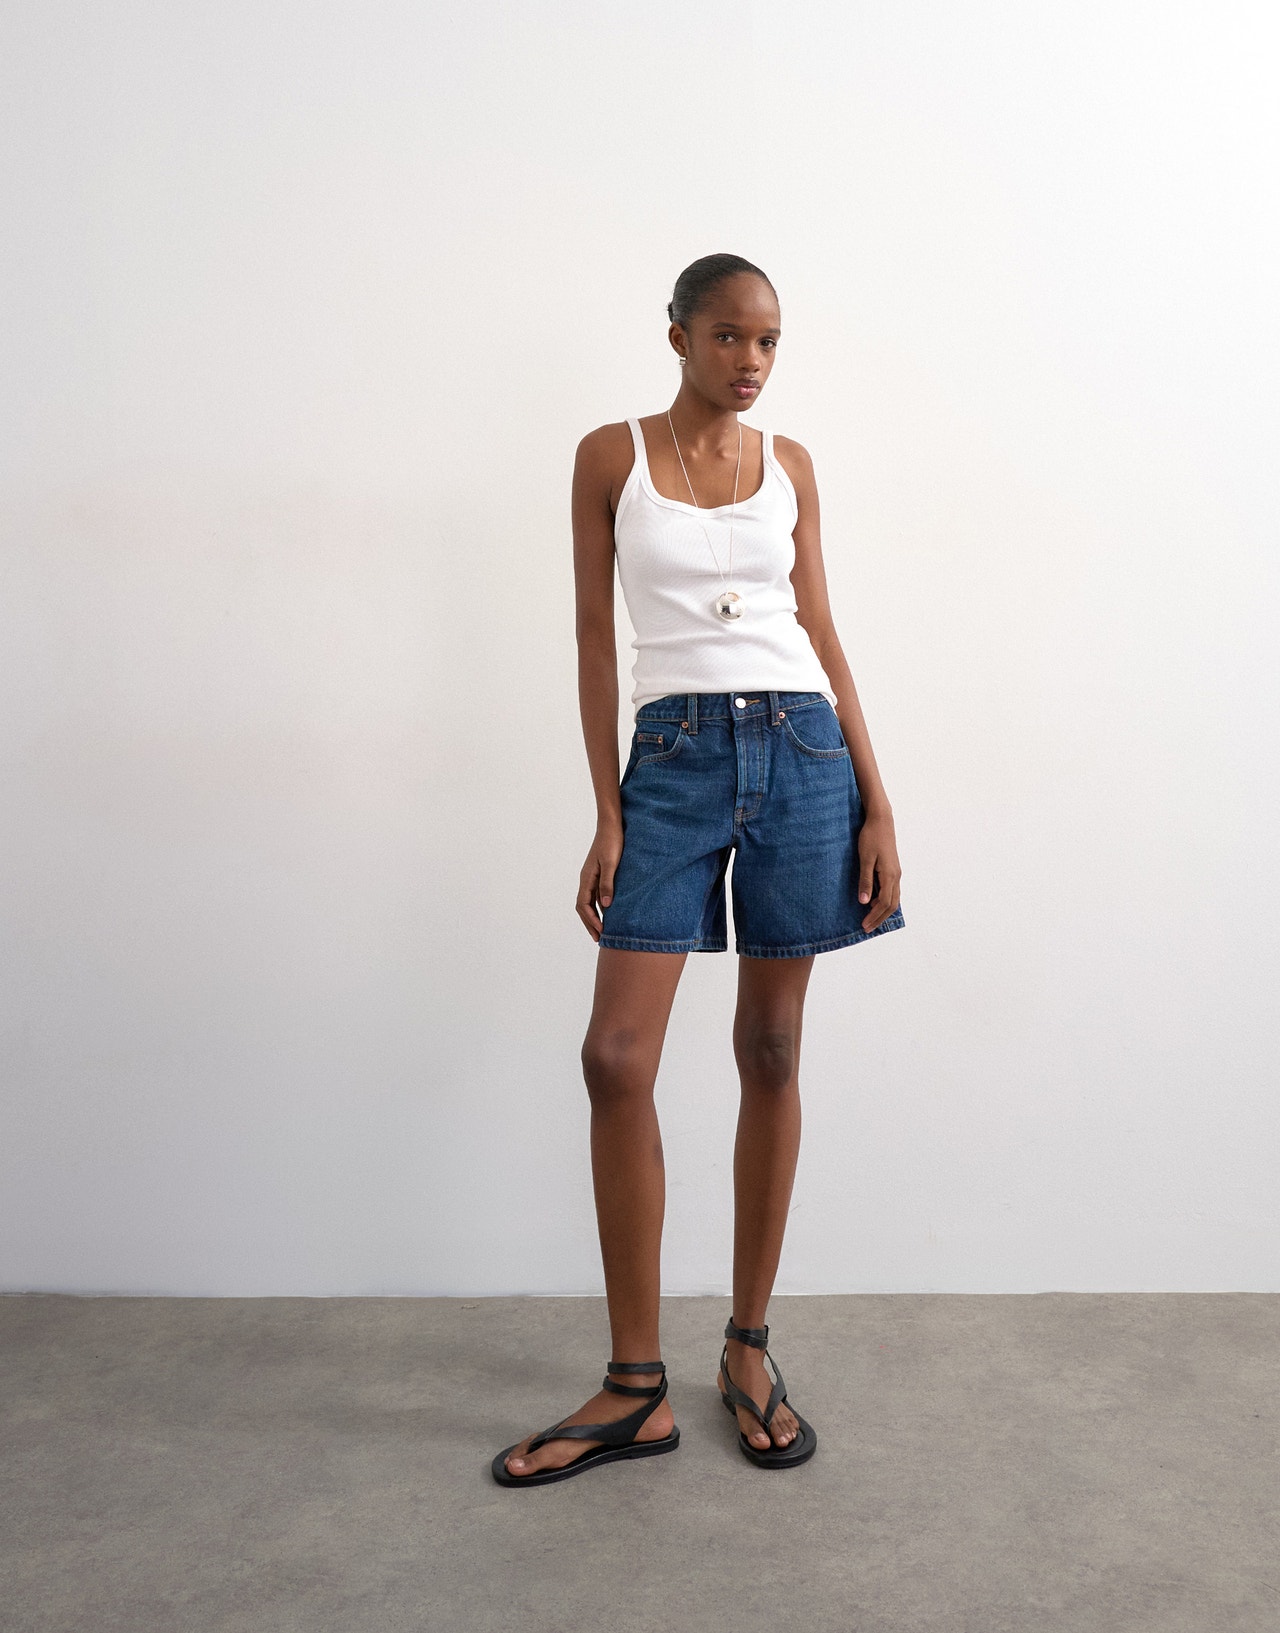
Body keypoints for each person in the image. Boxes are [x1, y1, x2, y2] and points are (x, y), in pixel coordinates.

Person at [491, 253, 905, 1487]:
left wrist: (878, 799)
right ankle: (634, 1387)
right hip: (669, 761)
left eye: (768, 341)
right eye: (728, 336)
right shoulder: (607, 456)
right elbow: (590, 636)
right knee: (615, 1057)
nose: (751, 361)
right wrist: (605, 810)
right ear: (676, 335)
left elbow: (820, 630)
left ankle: (746, 1348)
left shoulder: (792, 466)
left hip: (803, 751)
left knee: (770, 1049)